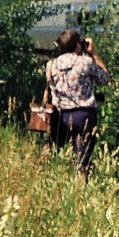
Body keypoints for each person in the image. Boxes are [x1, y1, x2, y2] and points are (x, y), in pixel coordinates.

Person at [45, 28, 109, 179]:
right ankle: (80, 184)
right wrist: (93, 54)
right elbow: (105, 77)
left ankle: (55, 181)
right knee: (82, 161)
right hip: (83, 116)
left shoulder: (51, 64)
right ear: (78, 45)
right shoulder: (85, 62)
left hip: (60, 117)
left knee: (57, 156)